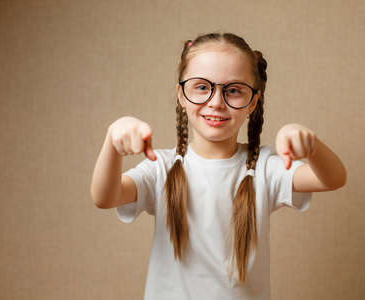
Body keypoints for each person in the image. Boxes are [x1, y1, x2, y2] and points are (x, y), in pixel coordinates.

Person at [90, 32, 346, 299]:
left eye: (233, 90)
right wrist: (112, 140)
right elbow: (104, 197)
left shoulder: (264, 167)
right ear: (181, 95)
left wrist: (311, 145)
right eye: (202, 87)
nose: (215, 102)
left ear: (253, 103)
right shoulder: (160, 168)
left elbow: (333, 179)